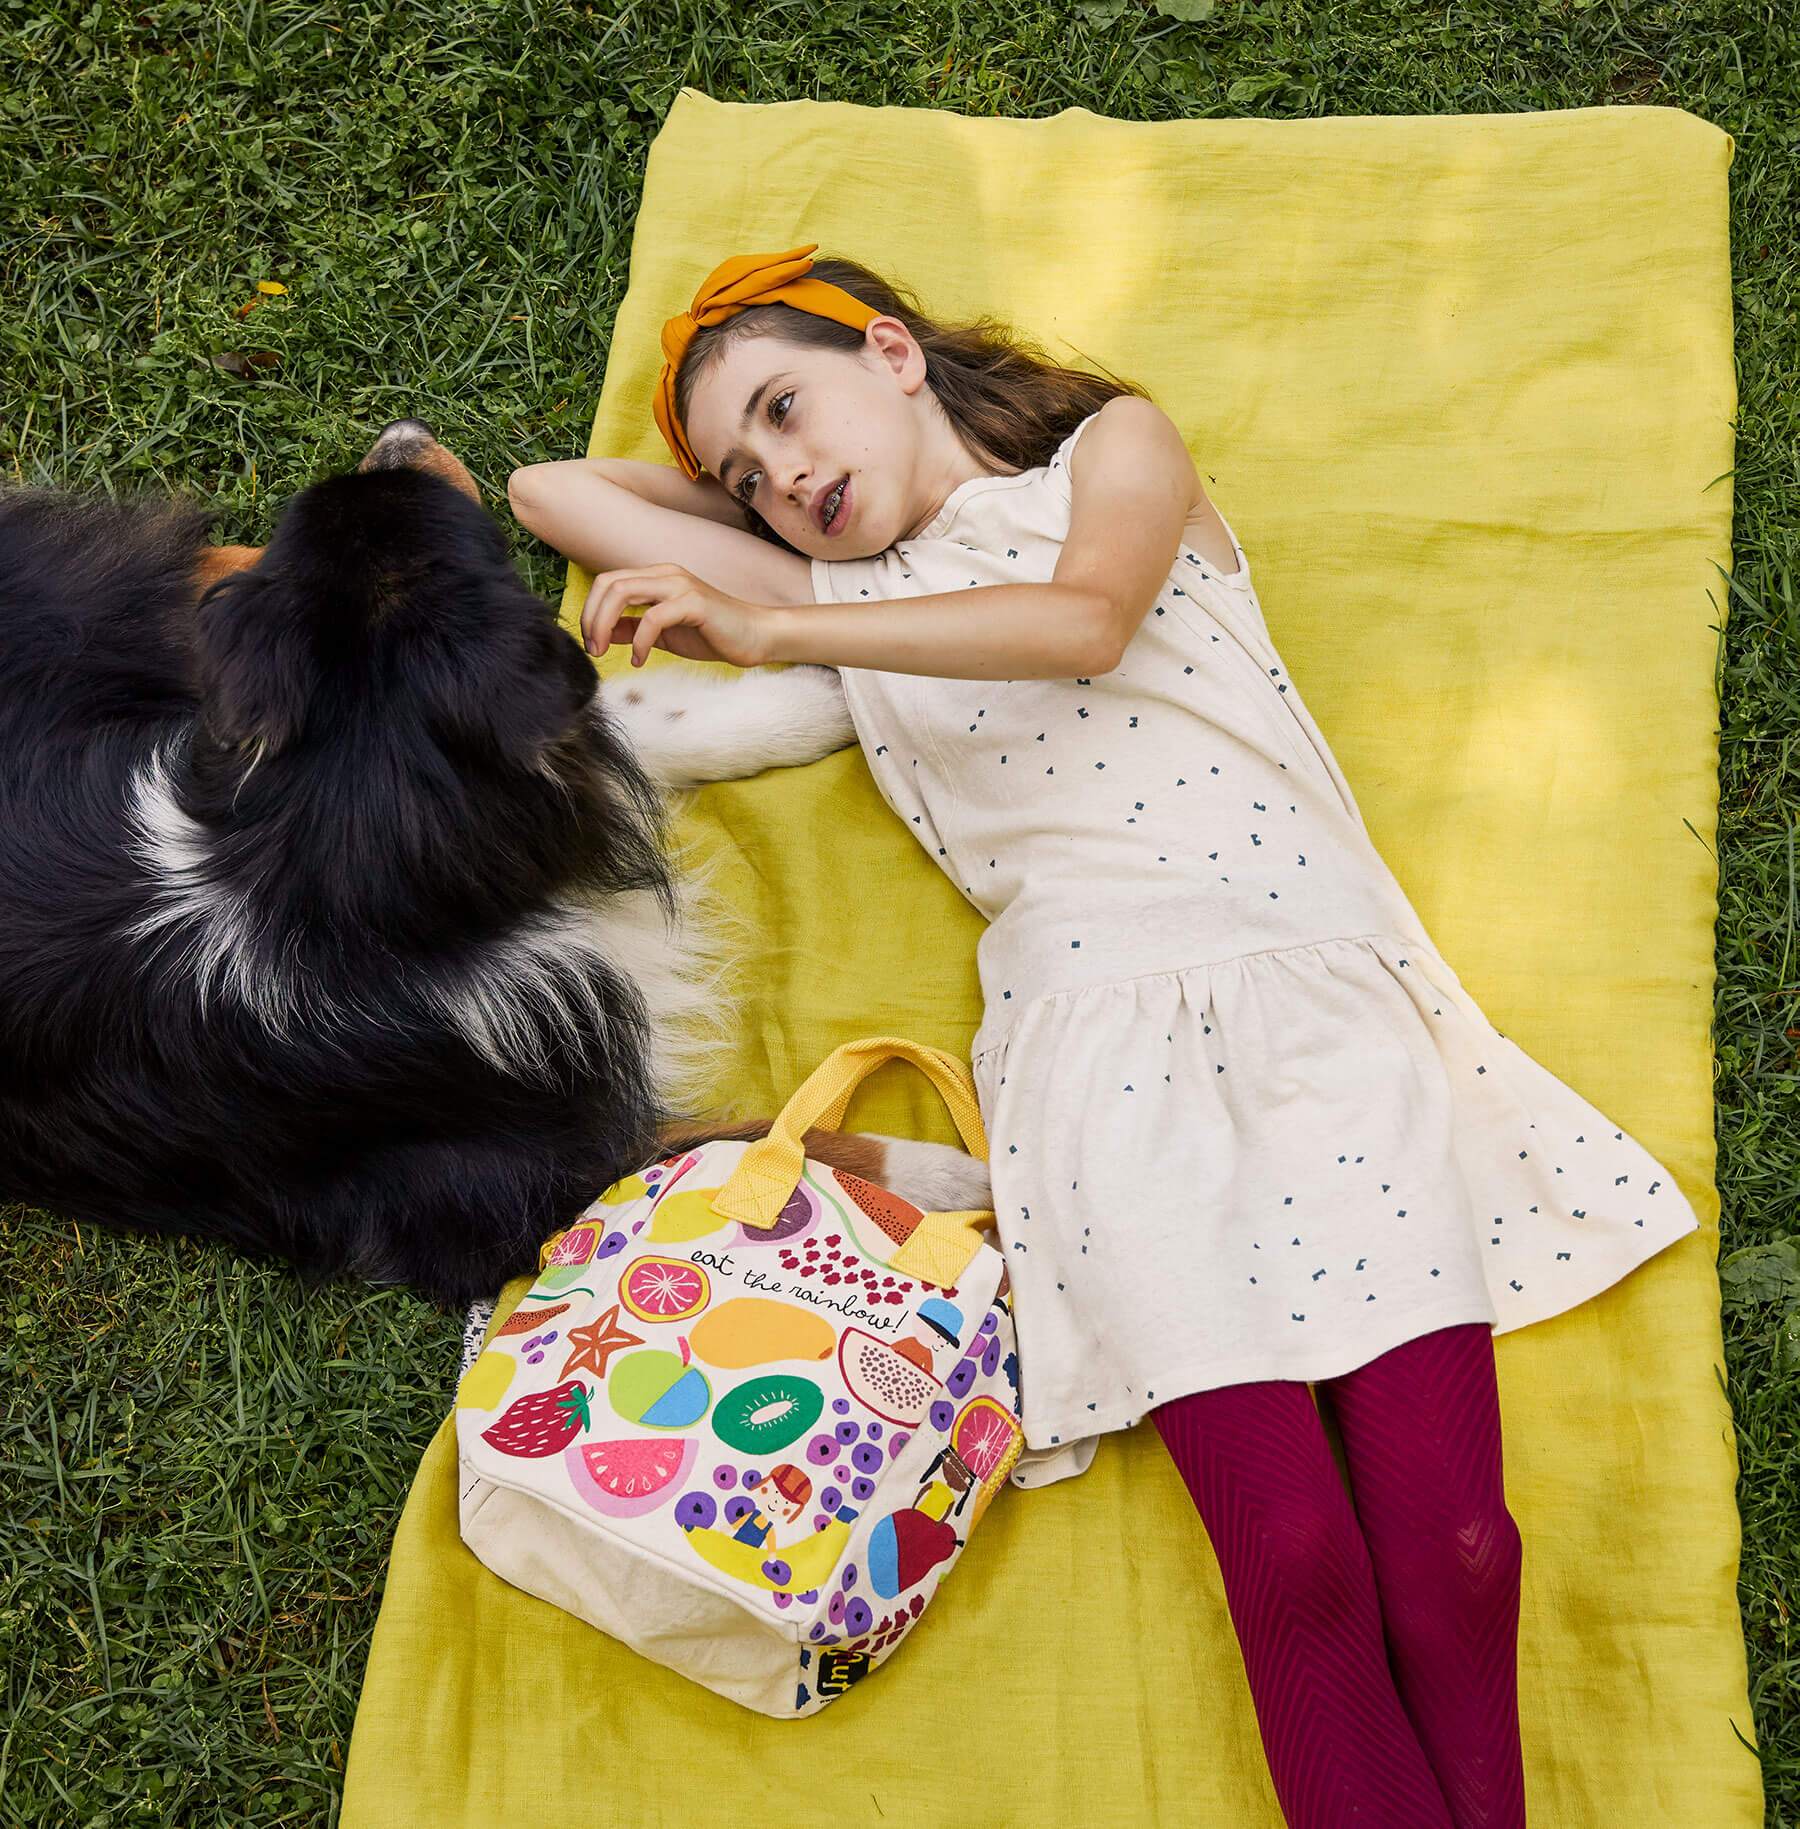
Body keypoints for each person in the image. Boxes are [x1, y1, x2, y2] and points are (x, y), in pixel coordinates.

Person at [506, 244, 1703, 1828]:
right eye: (745, 468)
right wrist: (780, 516)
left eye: (792, 410)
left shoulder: (1109, 457)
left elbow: (1081, 624)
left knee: (1459, 1543)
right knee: (1292, 1558)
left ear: (895, 349)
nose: (787, 473)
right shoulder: (841, 596)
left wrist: (771, 603)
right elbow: (543, 493)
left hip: (1311, 1007)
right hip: (1093, 1062)